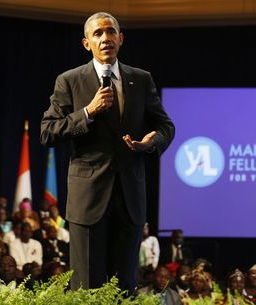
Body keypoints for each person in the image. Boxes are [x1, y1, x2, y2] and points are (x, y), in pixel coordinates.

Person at [40, 11, 174, 293]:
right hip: (87, 200)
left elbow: (165, 126)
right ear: (86, 43)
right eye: (97, 34)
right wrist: (88, 112)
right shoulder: (70, 81)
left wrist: (151, 142)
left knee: (125, 286)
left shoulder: (141, 79)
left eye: (110, 32)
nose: (105, 38)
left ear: (121, 38)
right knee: (87, 286)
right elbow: (47, 131)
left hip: (129, 199)